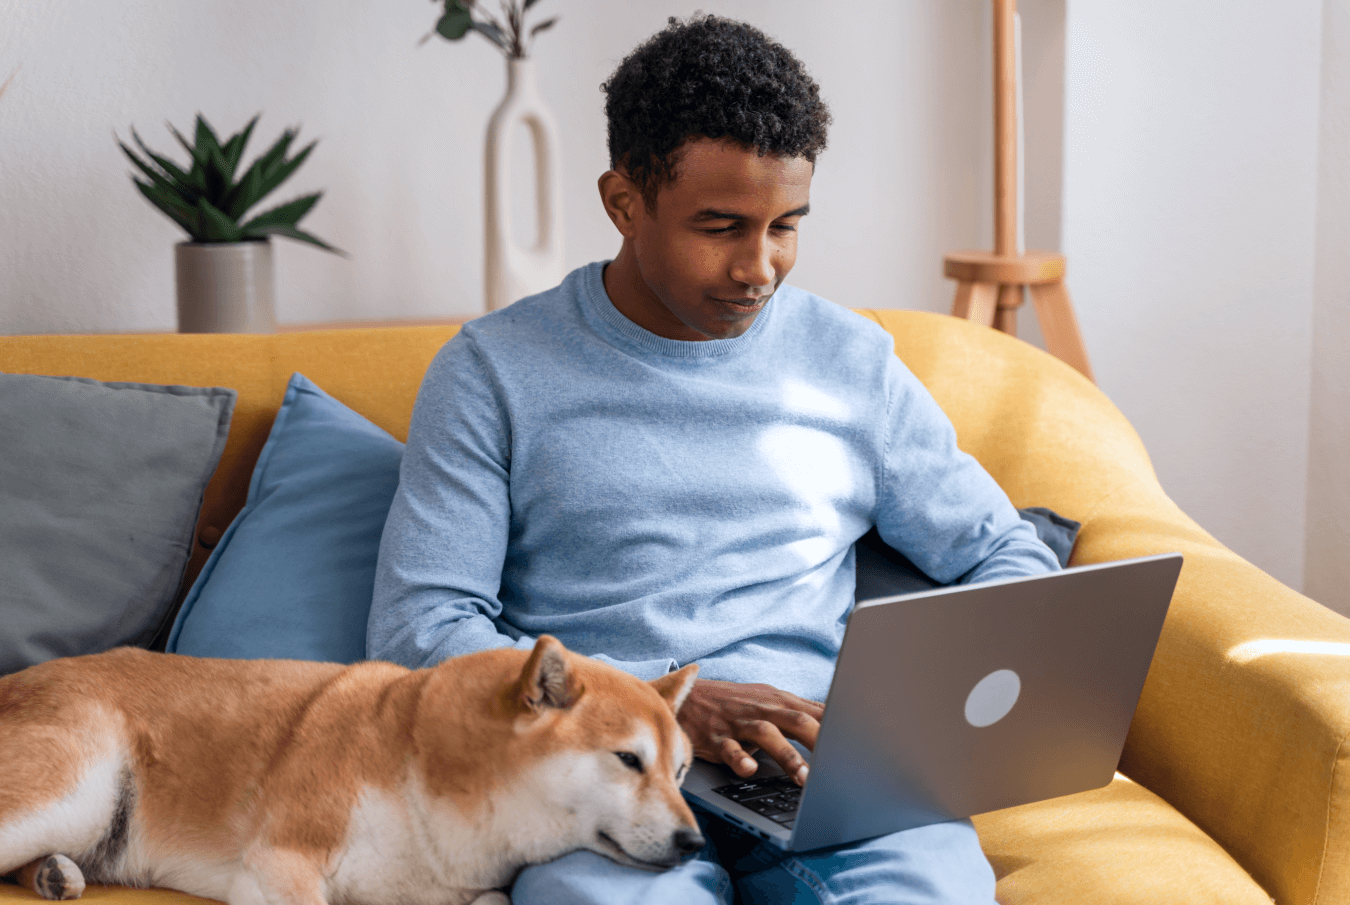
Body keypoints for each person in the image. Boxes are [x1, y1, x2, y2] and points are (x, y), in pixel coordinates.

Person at [369, 14, 1061, 904]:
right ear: (624, 203)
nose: (760, 268)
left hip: (821, 776)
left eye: (785, 226)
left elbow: (1004, 554)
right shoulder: (492, 372)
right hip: (594, 780)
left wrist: (903, 711)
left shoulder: (852, 362)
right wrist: (657, 704)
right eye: (722, 225)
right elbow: (421, 628)